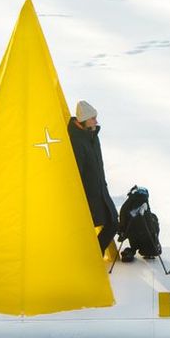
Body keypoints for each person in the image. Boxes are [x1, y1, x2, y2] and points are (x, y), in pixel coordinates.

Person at [68, 100, 117, 254]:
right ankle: (92, 255)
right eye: (92, 118)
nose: (96, 121)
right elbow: (78, 170)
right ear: (83, 120)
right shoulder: (77, 140)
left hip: (101, 188)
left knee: (113, 223)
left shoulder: (93, 136)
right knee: (95, 225)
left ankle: (93, 253)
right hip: (89, 194)